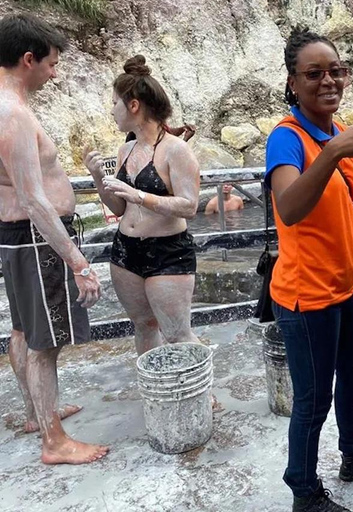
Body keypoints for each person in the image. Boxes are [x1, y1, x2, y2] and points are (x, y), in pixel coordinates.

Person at [265, 26, 353, 512]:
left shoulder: (333, 131)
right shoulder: (287, 139)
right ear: (293, 81)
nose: (329, 81)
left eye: (336, 71)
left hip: (343, 288)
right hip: (305, 298)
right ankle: (304, 492)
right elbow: (290, 207)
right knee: (311, 401)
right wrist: (334, 151)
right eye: (314, 73)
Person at [0, 14, 106, 465]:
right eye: (52, 64)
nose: (55, 73)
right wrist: (79, 262)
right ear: (29, 59)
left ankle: (36, 416)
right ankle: (54, 441)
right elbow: (34, 199)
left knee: (24, 330)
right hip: (35, 238)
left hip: (17, 238)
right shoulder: (13, 112)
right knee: (46, 342)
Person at [83, 55, 202, 357]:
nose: (111, 111)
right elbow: (119, 209)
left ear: (133, 105)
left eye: (114, 103)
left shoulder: (176, 150)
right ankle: (154, 394)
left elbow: (189, 206)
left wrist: (139, 196)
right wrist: (99, 178)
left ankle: (202, 395)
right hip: (125, 251)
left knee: (177, 333)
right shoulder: (126, 148)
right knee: (144, 325)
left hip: (167, 252)